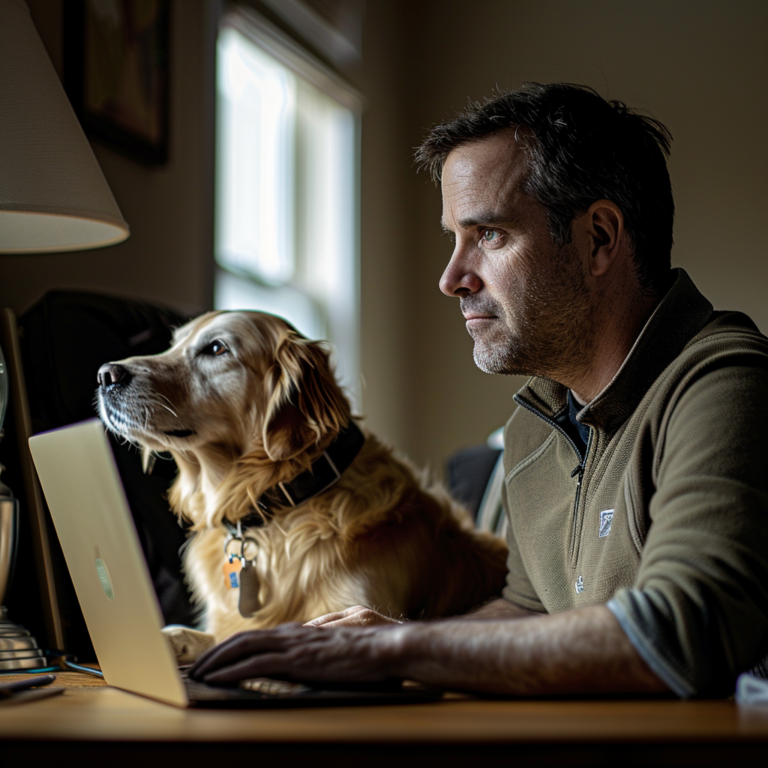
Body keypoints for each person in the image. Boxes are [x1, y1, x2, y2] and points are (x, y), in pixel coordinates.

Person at [190, 83, 768, 697]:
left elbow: (683, 632)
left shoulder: (725, 385)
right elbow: (527, 611)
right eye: (453, 239)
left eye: (488, 234)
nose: (451, 279)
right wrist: (386, 644)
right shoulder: (535, 426)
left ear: (599, 238)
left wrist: (400, 647)